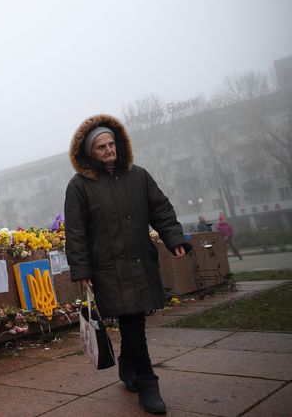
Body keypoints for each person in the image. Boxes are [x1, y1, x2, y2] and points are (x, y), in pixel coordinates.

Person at [64, 114, 191, 415]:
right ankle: (148, 382)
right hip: (107, 268)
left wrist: (174, 238)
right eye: (101, 147)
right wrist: (82, 271)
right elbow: (76, 231)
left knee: (134, 320)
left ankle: (128, 367)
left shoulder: (139, 176)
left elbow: (161, 209)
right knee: (132, 321)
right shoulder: (79, 186)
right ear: (89, 152)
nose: (109, 150)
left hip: (139, 261)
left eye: (112, 144)